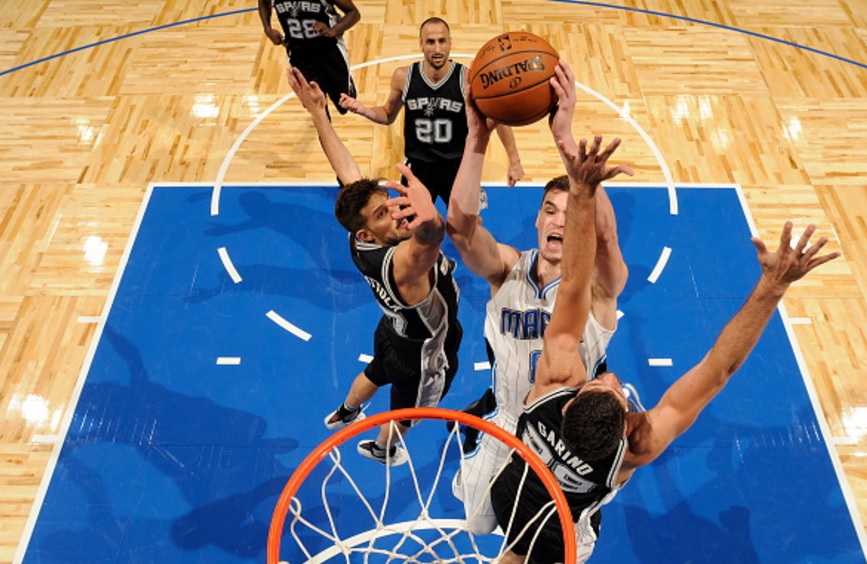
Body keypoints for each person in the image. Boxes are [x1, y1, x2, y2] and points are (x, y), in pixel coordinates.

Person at [488, 72, 841, 563]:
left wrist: (584, 190)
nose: (612, 376)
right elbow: (719, 370)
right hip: (559, 536)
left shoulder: (550, 386)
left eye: (603, 384)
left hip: (510, 492)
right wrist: (771, 289)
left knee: (512, 553)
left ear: (569, 400)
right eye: (616, 389)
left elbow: (572, 284)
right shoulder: (632, 449)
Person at [446, 60, 633, 535]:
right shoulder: (509, 268)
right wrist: (477, 140)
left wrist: (567, 143)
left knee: (547, 544)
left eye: (571, 214)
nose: (559, 221)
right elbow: (462, 231)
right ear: (536, 220)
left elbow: (606, 240)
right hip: (507, 420)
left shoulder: (597, 288)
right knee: (476, 526)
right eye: (550, 210)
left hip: (564, 437)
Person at [287, 67, 463, 466]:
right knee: (407, 410)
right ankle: (383, 448)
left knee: (376, 371)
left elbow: (348, 173)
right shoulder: (404, 265)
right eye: (385, 213)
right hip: (424, 353)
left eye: (392, 202)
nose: (398, 213)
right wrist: (426, 209)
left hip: (391, 333)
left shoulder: (358, 235)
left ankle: (346, 412)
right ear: (369, 233)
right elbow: (433, 237)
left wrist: (319, 114)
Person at [338, 17, 524, 204]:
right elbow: (387, 115)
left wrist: (514, 161)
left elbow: (497, 118)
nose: (437, 49)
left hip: (458, 167)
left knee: (467, 227)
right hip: (419, 169)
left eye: (442, 41)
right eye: (430, 42)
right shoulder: (403, 77)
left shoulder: (467, 79)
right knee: (412, 229)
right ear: (421, 45)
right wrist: (363, 110)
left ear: (450, 43)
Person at [258, 0, 360, 118]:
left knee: (344, 104)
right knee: (318, 110)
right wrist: (267, 28)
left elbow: (354, 13)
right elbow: (264, 2)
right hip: (299, 55)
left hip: (329, 51)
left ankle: (346, 86)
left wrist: (333, 30)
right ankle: (324, 132)